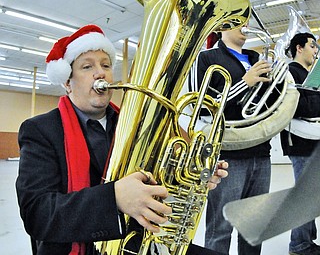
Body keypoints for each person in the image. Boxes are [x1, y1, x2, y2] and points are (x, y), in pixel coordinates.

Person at [15, 24, 229, 255]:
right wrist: (113, 197)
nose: (101, 73)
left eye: (106, 65)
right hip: (81, 248)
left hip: (138, 241)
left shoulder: (136, 126)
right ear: (67, 82)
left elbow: (158, 180)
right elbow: (37, 215)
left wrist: (192, 173)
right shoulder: (40, 130)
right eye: (87, 67)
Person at [189, 27, 273, 255]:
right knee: (221, 228)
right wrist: (245, 82)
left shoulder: (257, 58)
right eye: (238, 21)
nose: (244, 26)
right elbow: (201, 106)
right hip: (228, 156)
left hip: (262, 152)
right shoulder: (206, 58)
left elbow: (270, 103)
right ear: (222, 26)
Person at [280, 32, 320, 255]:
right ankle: (299, 244)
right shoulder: (289, 73)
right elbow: (298, 108)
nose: (316, 51)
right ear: (299, 48)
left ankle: (306, 239)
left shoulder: (312, 74)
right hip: (300, 142)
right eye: (312, 46)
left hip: (314, 140)